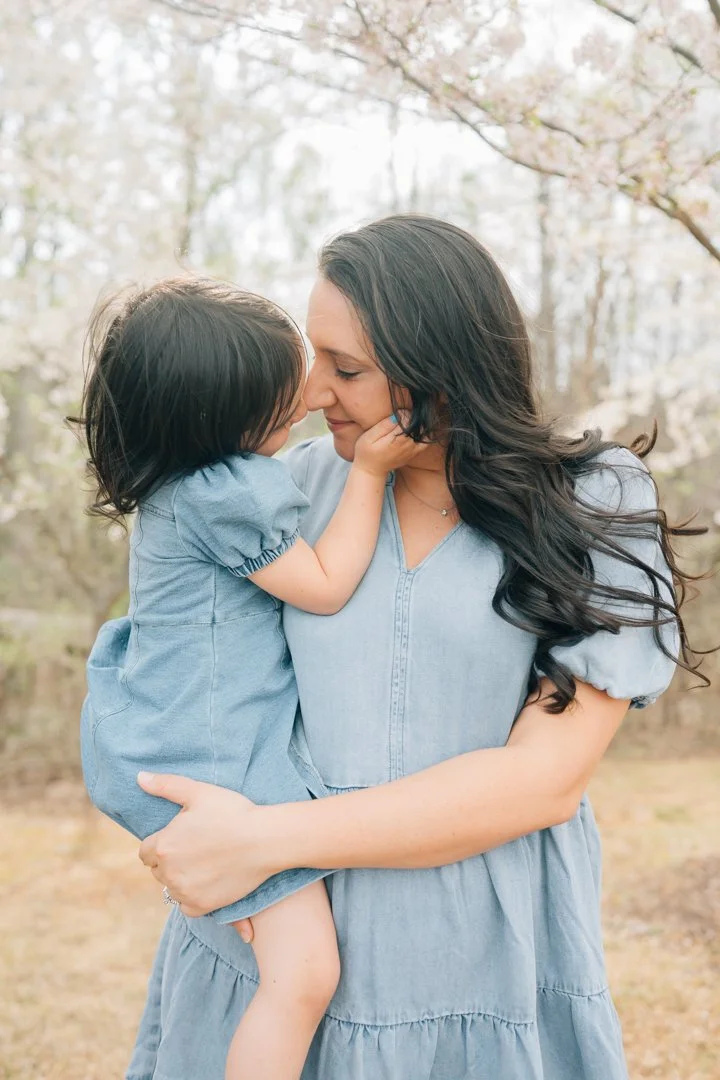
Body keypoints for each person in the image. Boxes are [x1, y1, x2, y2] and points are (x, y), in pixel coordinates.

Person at [130, 216, 703, 1080]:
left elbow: (545, 780)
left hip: (475, 952)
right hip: (281, 949)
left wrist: (262, 840)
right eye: (315, 359)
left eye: (347, 369)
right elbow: (184, 668)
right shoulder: (283, 494)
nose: (312, 394)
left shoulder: (595, 502)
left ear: (445, 368)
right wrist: (192, 828)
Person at [75, 277, 421, 1080]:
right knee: (304, 975)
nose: (308, 397)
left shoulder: (178, 483)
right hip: (211, 756)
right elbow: (324, 585)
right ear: (222, 418)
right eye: (284, 391)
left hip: (165, 733)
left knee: (280, 953)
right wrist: (370, 474)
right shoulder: (223, 492)